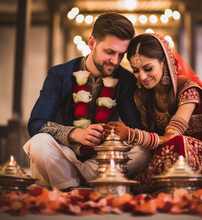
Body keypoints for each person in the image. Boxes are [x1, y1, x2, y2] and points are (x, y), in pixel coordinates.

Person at [23, 13, 152, 191]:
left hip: (102, 160)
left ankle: (70, 184)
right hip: (66, 156)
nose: (115, 61)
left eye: (121, 54)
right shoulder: (59, 75)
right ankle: (74, 185)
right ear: (91, 43)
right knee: (39, 143)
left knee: (142, 151)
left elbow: (135, 127)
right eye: (109, 52)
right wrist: (74, 134)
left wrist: (116, 135)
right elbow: (36, 123)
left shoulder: (127, 80)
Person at [104, 33, 202, 193]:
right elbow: (154, 142)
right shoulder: (142, 96)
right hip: (175, 156)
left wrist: (131, 135)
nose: (142, 76)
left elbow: (171, 137)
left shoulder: (188, 89)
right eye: (135, 70)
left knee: (180, 143)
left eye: (148, 68)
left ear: (164, 62)